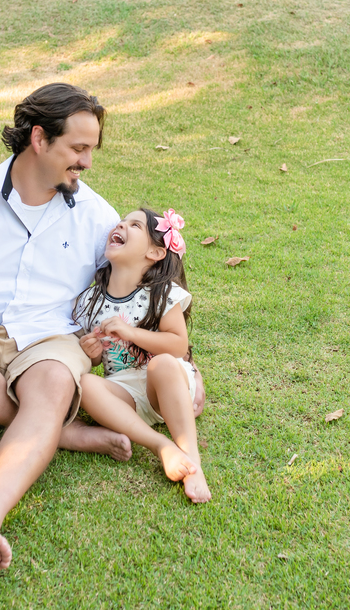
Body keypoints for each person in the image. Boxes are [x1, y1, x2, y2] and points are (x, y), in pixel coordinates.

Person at [0, 83, 205, 573]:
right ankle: (62, 429)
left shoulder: (98, 217)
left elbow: (140, 291)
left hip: (53, 341)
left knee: (53, 382)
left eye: (92, 149)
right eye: (78, 148)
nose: (87, 162)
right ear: (39, 138)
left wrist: (185, 366)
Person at [76, 208, 211, 503]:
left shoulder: (162, 292)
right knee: (84, 383)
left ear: (155, 252)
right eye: (121, 222)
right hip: (125, 395)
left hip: (166, 387)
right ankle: (160, 445)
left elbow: (178, 345)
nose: (121, 225)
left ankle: (192, 461)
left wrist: (131, 333)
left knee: (162, 364)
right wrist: (91, 354)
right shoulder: (90, 300)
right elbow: (98, 362)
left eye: (134, 225)